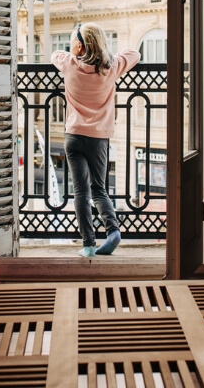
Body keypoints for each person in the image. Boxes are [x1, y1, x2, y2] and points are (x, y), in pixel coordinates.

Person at [51, 22, 140, 257]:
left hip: (73, 136)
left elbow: (55, 54)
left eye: (72, 41)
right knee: (99, 190)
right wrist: (107, 55)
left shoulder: (69, 64)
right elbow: (135, 53)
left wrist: (74, 53)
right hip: (99, 139)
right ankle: (113, 232)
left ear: (79, 46)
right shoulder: (110, 68)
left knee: (81, 192)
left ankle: (88, 245)